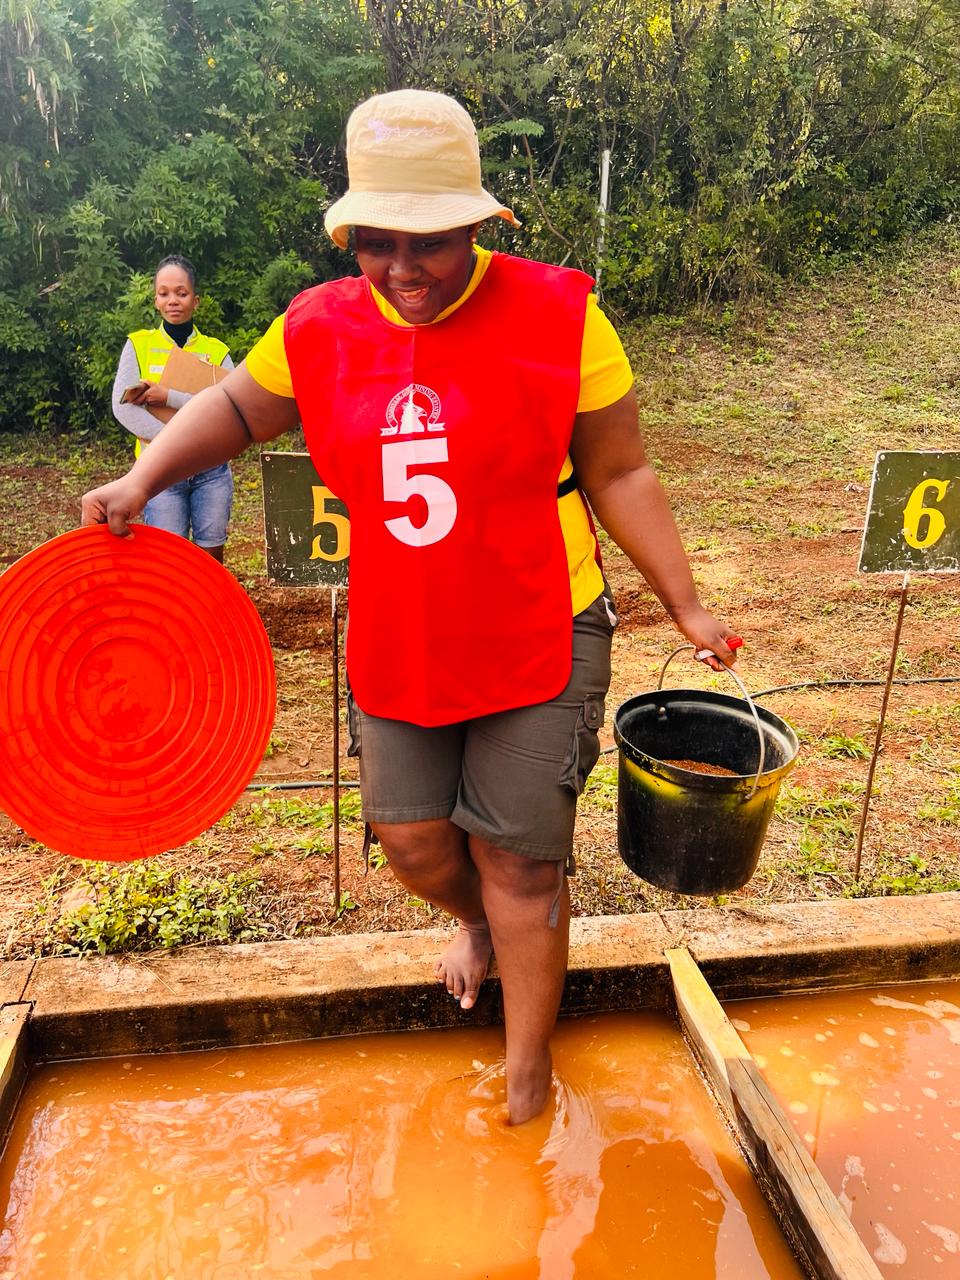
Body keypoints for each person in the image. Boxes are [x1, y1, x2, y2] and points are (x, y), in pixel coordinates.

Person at [83, 90, 740, 1125]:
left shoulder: (562, 314)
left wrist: (687, 603)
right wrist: (140, 479)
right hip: (404, 624)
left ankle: (527, 1072)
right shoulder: (318, 325)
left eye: (428, 240)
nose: (402, 268)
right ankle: (484, 923)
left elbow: (620, 472)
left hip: (540, 618)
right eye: (377, 242)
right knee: (414, 840)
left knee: (520, 859)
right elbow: (235, 408)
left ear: (477, 224)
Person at [111, 254, 235, 563]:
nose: (173, 301)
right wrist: (174, 443)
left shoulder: (217, 352)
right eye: (164, 293)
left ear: (196, 300)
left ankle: (208, 598)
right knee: (168, 559)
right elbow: (123, 408)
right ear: (155, 300)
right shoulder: (138, 345)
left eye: (182, 293)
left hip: (210, 471)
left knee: (211, 556)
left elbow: (229, 410)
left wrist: (169, 396)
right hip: (159, 471)